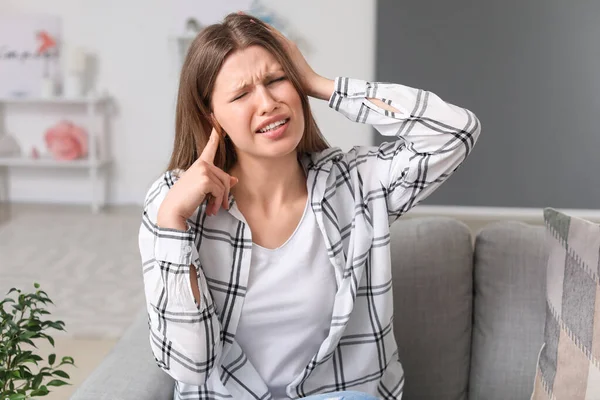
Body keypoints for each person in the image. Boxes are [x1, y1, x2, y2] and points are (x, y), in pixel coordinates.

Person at [139, 12, 481, 400]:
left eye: (276, 80)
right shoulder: (174, 204)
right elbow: (190, 365)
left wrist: (321, 85)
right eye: (241, 94)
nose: (267, 103)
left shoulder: (355, 183)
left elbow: (455, 132)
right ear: (211, 116)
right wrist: (172, 223)